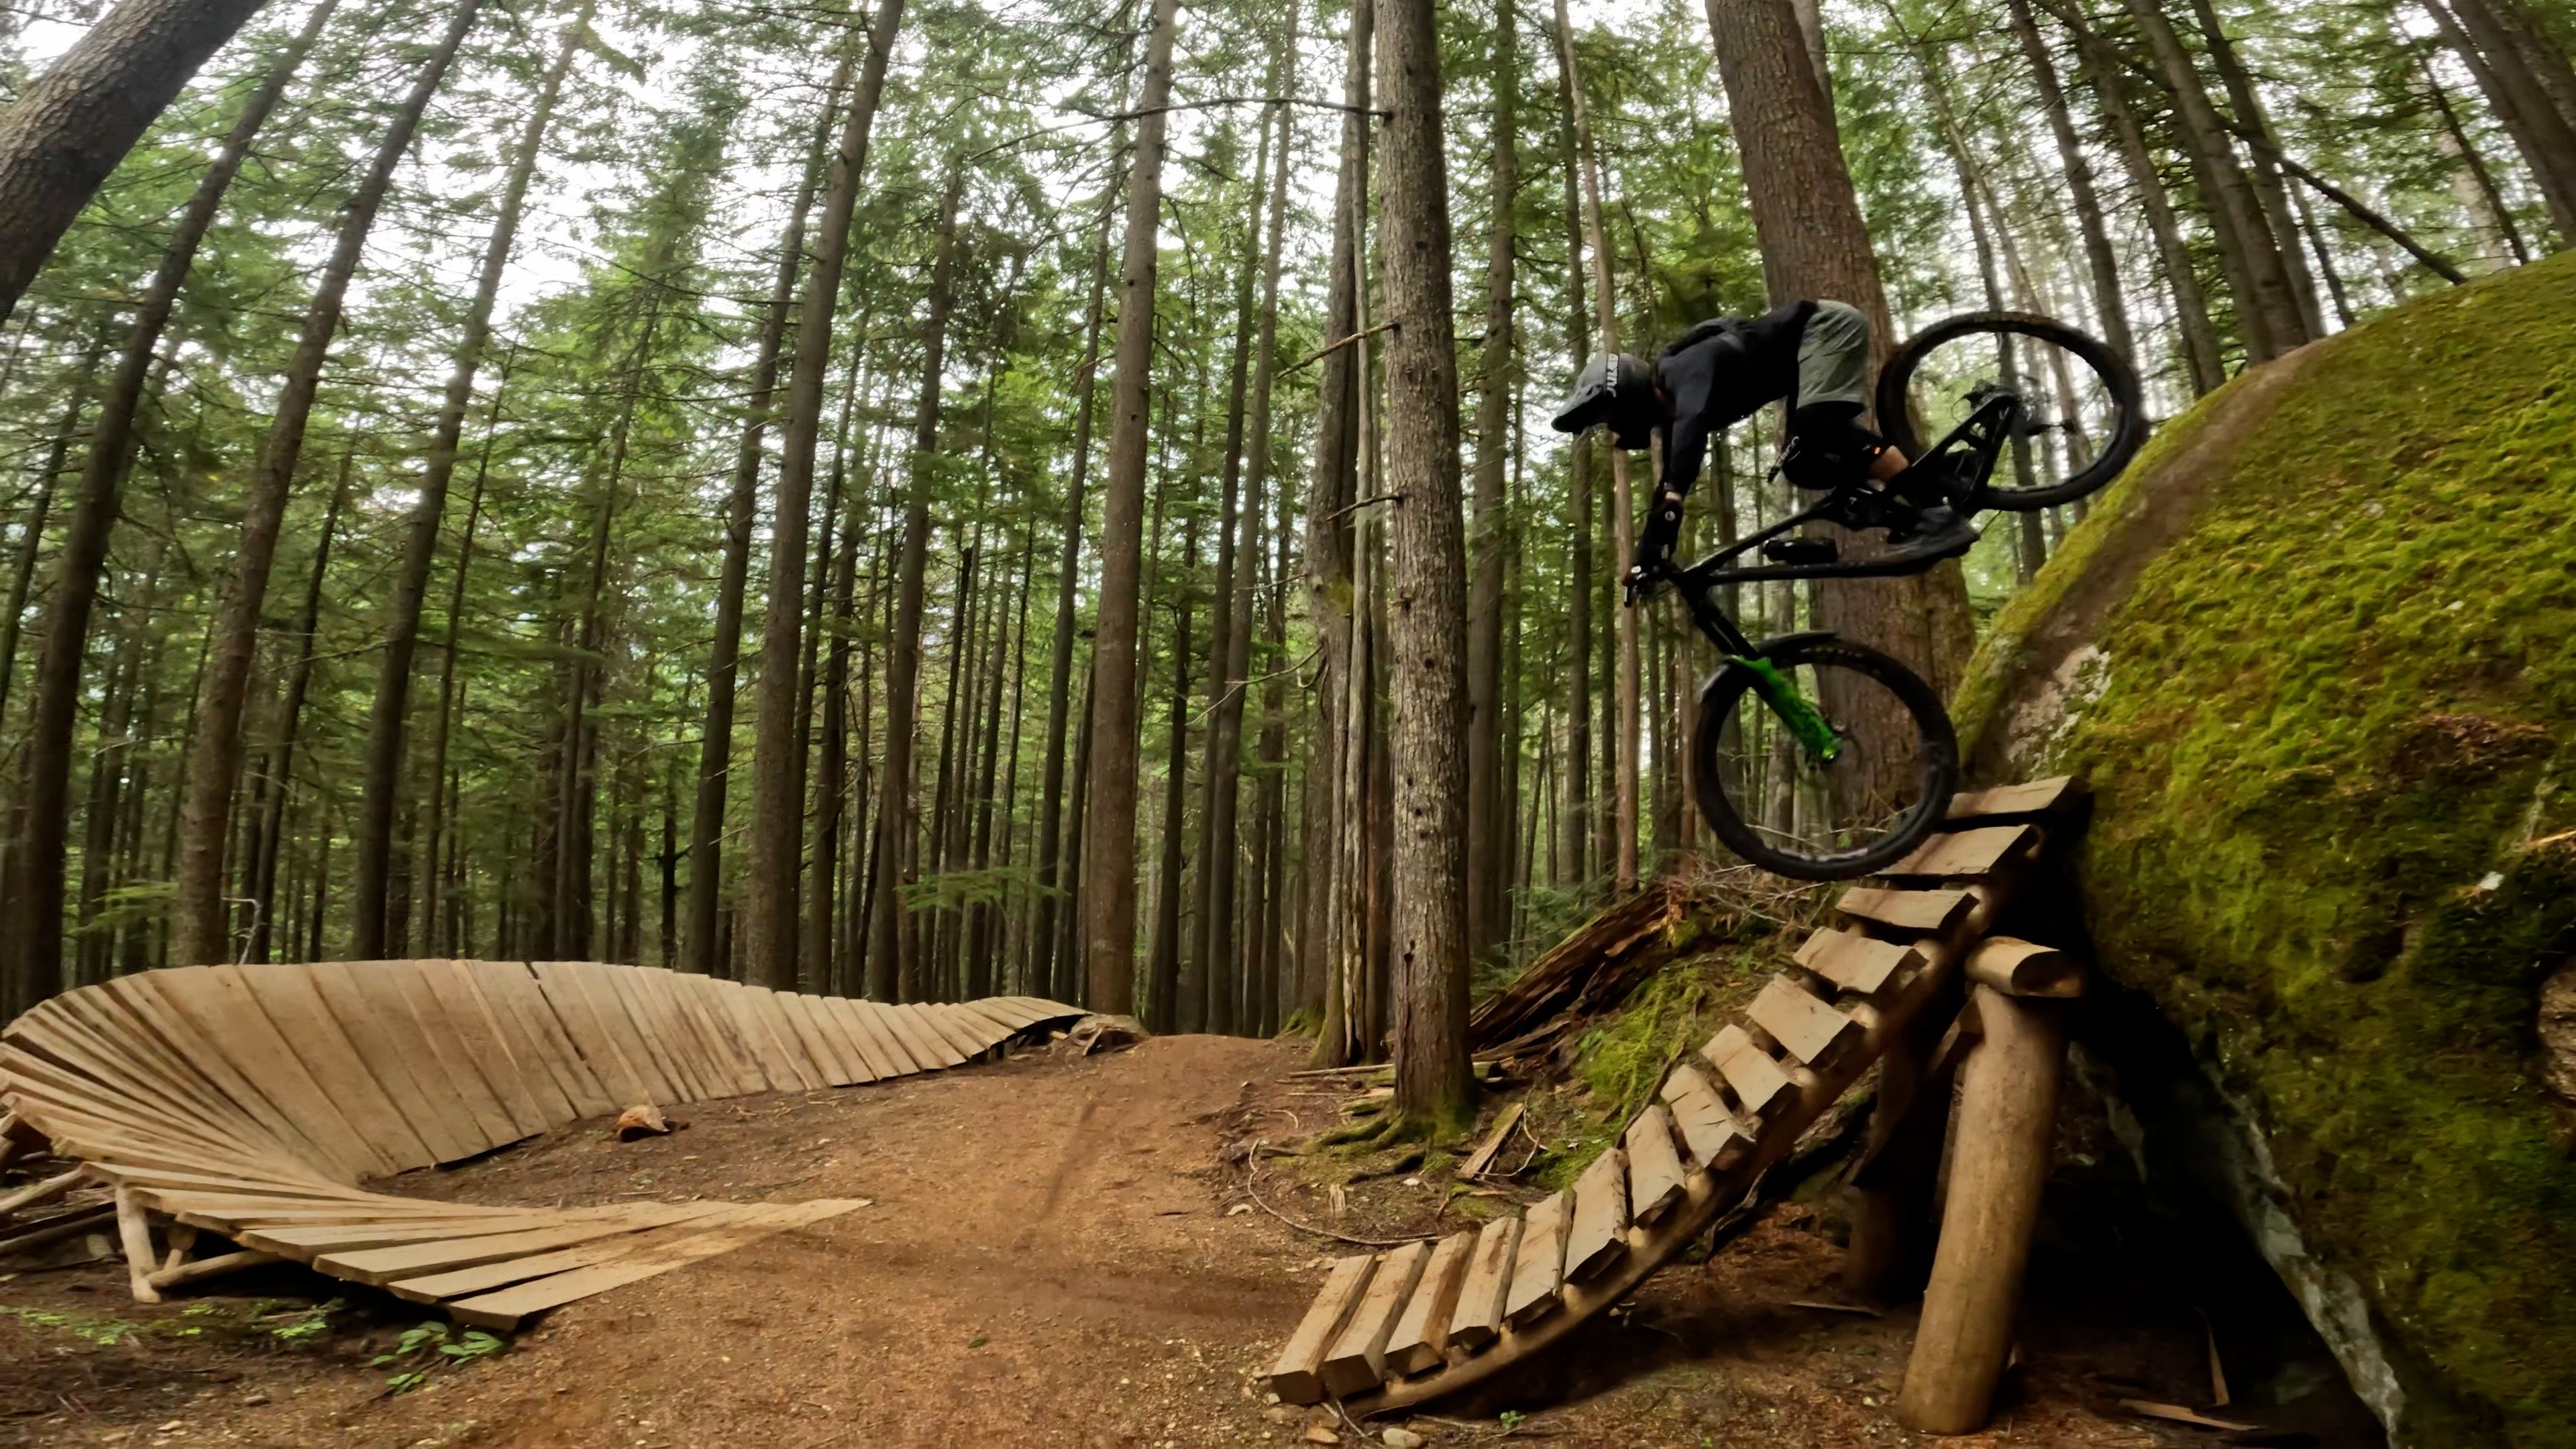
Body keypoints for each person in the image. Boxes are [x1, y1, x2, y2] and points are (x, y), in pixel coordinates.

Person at [1550, 298, 1976, 591]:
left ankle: (1934, 515)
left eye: (1610, 418)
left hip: (1825, 326)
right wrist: (1646, 559)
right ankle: (1940, 480)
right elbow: (1667, 491)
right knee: (1803, 463)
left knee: (1821, 428)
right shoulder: (1678, 407)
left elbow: (1689, 438)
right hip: (1802, 367)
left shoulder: (1681, 371)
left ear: (1628, 396)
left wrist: (1677, 487)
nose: (1614, 431)